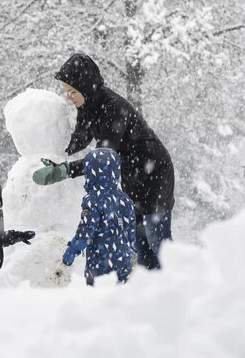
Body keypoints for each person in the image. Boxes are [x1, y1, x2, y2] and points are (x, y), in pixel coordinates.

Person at [34, 53, 175, 269]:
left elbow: (103, 159)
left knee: (157, 241)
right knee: (139, 243)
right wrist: (55, 152)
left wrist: (64, 170)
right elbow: (79, 141)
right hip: (133, 173)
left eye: (72, 92)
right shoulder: (87, 105)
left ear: (85, 87)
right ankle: (154, 292)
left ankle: (180, 283)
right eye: (66, 92)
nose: (69, 97)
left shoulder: (113, 108)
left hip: (154, 173)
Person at [61, 148, 137, 285]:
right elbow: (132, 232)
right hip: (123, 261)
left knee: (97, 300)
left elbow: (85, 232)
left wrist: (72, 250)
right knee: (121, 298)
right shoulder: (125, 199)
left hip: (100, 262)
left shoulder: (92, 201)